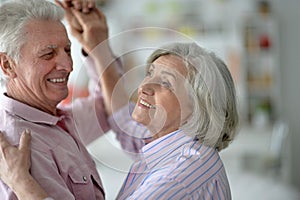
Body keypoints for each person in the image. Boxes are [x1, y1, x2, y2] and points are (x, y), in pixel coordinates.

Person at [1, 41, 239, 199]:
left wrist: (21, 182)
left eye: (166, 83)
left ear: (198, 108)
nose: (145, 86)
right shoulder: (177, 148)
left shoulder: (177, 178)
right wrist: (96, 39)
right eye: (150, 74)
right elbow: (124, 121)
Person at [0, 0, 146, 199]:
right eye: (48, 54)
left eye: (67, 51)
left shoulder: (57, 120)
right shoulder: (19, 147)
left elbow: (110, 106)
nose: (68, 66)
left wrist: (97, 42)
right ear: (7, 65)